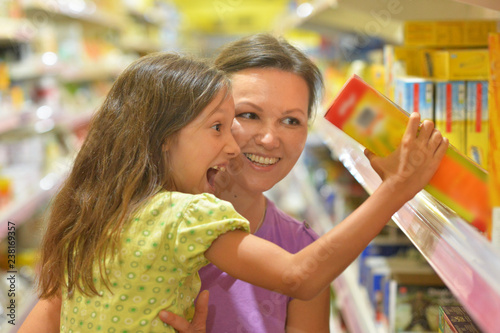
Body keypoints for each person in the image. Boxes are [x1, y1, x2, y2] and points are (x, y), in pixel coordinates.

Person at [20, 50, 447, 333]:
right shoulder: (139, 220)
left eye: (292, 121)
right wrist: (397, 189)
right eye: (242, 117)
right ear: (171, 129)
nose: (268, 139)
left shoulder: (302, 244)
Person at [162, 33, 331, 333]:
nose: (269, 139)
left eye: (291, 121)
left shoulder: (303, 252)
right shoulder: (132, 218)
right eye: (249, 115)